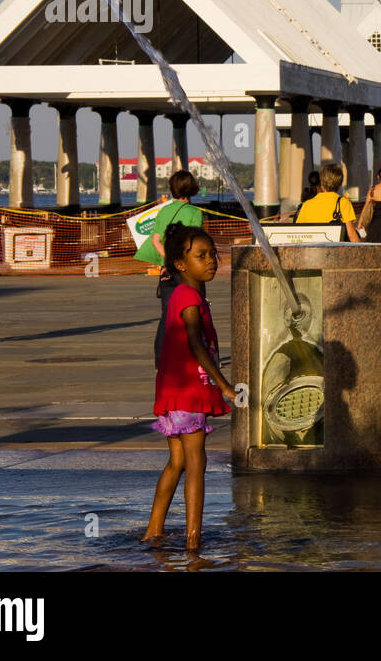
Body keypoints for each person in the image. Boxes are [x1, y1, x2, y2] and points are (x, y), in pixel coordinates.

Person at [142, 223, 235, 551]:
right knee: (197, 463)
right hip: (186, 390)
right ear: (180, 265)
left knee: (178, 461)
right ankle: (193, 542)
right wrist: (226, 386)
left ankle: (153, 531)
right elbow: (195, 343)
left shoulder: (188, 293)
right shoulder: (187, 295)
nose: (211, 260)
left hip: (174, 390)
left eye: (213, 254)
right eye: (201, 256)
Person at [135, 170, 205, 367]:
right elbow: (194, 245)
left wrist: (169, 260)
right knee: (193, 314)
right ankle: (195, 356)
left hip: (167, 272)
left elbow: (156, 240)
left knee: (167, 316)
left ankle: (161, 361)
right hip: (187, 274)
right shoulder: (195, 213)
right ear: (191, 189)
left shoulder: (164, 211)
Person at [296, 162, 360, 242]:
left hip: (313, 250)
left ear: (321, 182)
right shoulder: (343, 203)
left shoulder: (306, 205)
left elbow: (299, 231)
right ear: (339, 183)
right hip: (335, 250)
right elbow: (351, 234)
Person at [359, 165, 381, 241]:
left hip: (374, 225)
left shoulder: (372, 190)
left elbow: (366, 207)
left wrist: (360, 223)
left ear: (378, 177)